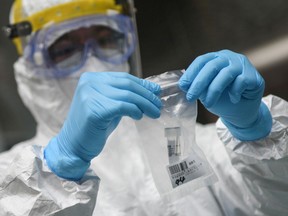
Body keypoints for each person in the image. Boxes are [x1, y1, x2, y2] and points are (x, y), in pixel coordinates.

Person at [1, 0, 288, 215]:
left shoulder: (201, 149)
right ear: (31, 70)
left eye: (106, 40)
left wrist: (256, 133)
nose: (92, 61)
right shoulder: (14, 180)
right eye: (64, 50)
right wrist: (59, 166)